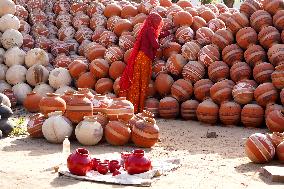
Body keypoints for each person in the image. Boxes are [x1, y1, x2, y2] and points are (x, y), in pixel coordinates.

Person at [119, 12, 163, 113]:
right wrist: (162, 44)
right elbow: (155, 45)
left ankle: (132, 106)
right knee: (142, 83)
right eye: (158, 22)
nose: (159, 25)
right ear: (154, 22)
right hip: (144, 58)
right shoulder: (151, 30)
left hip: (140, 57)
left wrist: (165, 33)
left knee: (136, 81)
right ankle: (137, 108)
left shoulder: (146, 29)